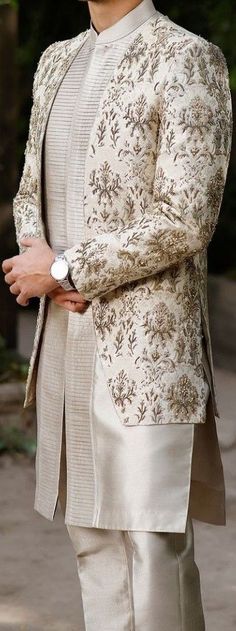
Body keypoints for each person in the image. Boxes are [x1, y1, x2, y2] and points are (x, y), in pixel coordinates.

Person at [2, 0, 232, 628]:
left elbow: (187, 216)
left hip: (148, 352)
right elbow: (29, 193)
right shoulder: (57, 60)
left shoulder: (187, 57)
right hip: (66, 337)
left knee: (150, 545)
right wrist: (46, 268)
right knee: (92, 538)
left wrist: (71, 268)